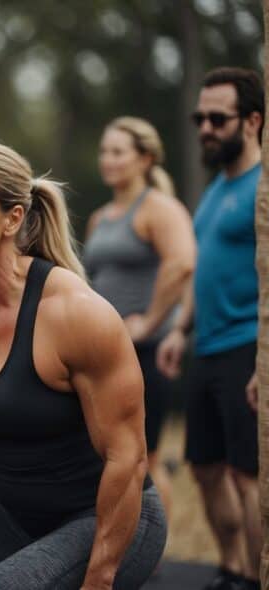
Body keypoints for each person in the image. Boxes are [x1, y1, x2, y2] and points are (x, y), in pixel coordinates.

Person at [0, 139, 166, 589]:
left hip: (109, 521)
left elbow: (127, 458)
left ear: (13, 218)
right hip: (14, 514)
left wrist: (99, 579)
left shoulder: (74, 313)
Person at [157, 67, 264, 590]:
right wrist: (180, 329)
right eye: (200, 117)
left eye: (217, 118)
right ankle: (232, 571)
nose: (205, 127)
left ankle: (255, 577)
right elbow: (202, 270)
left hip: (250, 346)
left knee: (249, 477)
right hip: (209, 347)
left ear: (252, 122)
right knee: (204, 468)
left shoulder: (262, 190)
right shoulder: (217, 191)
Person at [82, 116, 195, 524]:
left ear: (145, 158)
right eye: (104, 151)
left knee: (142, 454)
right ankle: (125, 537)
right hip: (107, 353)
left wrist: (148, 322)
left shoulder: (158, 208)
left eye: (118, 152)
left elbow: (182, 264)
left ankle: (152, 542)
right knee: (109, 455)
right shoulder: (101, 218)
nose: (108, 160)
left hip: (146, 352)